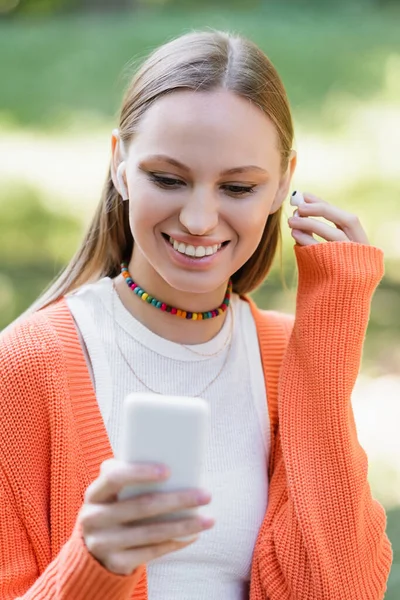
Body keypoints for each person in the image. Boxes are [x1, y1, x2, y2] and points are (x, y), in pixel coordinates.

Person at [0, 29, 393, 600]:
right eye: (168, 179)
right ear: (120, 165)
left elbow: (339, 588)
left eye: (237, 187)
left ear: (283, 182)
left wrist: (329, 332)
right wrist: (94, 563)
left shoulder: (294, 359)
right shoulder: (25, 367)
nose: (200, 219)